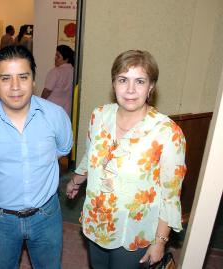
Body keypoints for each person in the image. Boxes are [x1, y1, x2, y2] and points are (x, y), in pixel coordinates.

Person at [66, 50, 186, 268]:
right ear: (114, 84)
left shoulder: (168, 132)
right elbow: (89, 154)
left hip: (133, 231)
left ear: (151, 87)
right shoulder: (99, 115)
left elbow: (170, 196)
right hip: (96, 219)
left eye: (139, 81)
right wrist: (76, 180)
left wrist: (160, 242)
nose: (130, 90)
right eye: (123, 80)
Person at [0, 45, 73, 269]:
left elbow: (62, 149)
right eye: (5, 78)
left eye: (23, 77)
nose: (15, 87)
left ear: (33, 80)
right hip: (0, 219)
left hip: (46, 215)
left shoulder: (56, 116)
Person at [41, 45, 74, 117]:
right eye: (55, 55)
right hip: (66, 112)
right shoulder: (74, 71)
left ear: (66, 59)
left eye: (58, 56)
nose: (55, 58)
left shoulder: (55, 72)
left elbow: (47, 91)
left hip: (52, 111)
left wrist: (40, 102)